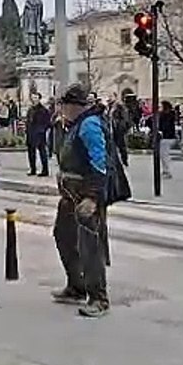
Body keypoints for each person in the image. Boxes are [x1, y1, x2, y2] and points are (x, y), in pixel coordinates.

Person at [50, 84, 111, 318]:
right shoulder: (75, 125)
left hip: (84, 194)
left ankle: (98, 298)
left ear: (73, 106)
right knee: (63, 236)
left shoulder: (89, 125)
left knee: (90, 246)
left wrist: (92, 197)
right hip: (70, 194)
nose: (62, 109)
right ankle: (76, 285)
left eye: (64, 105)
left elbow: (99, 162)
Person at [25, 93, 52, 177]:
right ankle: (33, 169)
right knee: (31, 152)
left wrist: (42, 130)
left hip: (39, 133)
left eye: (36, 98)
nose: (34, 99)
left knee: (42, 151)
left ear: (39, 99)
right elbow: (28, 120)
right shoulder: (30, 109)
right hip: (30, 133)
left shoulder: (43, 110)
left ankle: (45, 170)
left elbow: (48, 122)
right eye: (33, 98)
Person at [156, 100, 178, 179]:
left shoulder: (165, 115)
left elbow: (163, 126)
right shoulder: (171, 114)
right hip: (170, 137)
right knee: (164, 155)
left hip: (166, 137)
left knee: (164, 155)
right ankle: (166, 170)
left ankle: (167, 171)